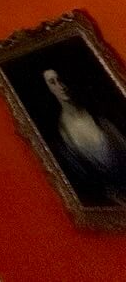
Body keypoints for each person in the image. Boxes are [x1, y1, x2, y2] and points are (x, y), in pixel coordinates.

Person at [43, 67, 126, 205]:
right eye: (53, 82)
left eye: (61, 79)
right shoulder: (61, 135)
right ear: (49, 89)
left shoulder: (100, 114)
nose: (61, 86)